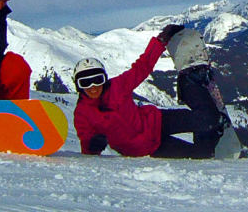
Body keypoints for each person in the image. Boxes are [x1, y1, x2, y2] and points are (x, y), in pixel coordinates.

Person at [74, 24, 236, 159]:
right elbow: (87, 150)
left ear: (104, 78)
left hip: (157, 121)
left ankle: (191, 81)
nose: (93, 86)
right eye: (85, 82)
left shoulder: (118, 86)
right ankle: (208, 135)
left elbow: (142, 67)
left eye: (97, 79)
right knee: (203, 154)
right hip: (146, 149)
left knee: (210, 119)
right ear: (79, 86)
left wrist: (161, 41)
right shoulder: (82, 114)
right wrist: (93, 146)